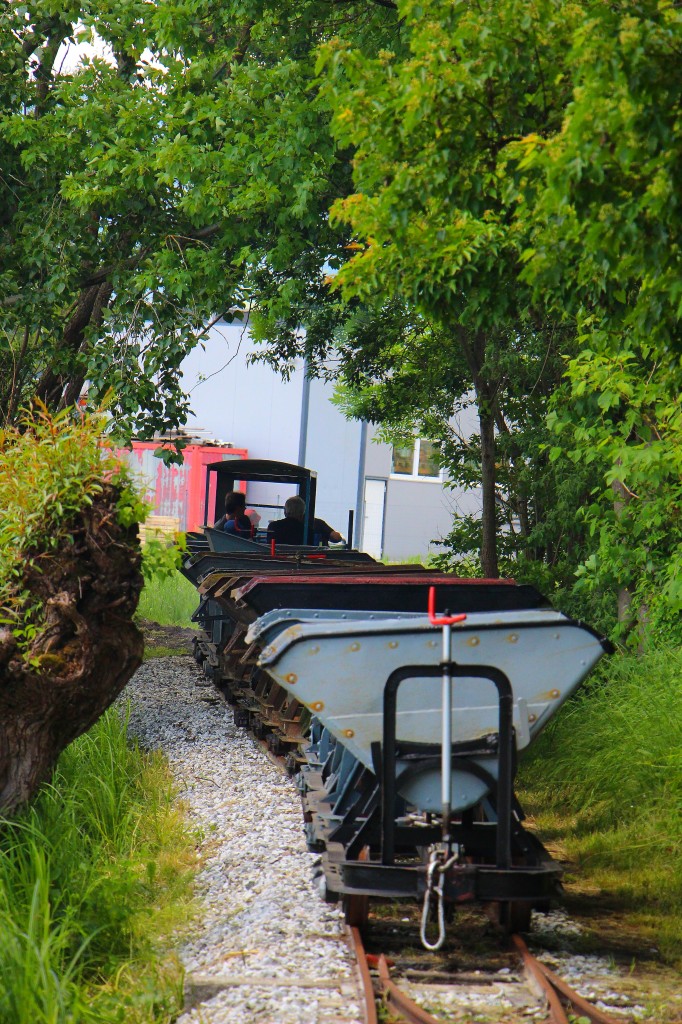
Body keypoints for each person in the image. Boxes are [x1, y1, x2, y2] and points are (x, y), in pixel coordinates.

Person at [267, 495, 343, 546]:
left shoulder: (273, 526)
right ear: (303, 512)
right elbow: (336, 537)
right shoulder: (308, 530)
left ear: (285, 511)